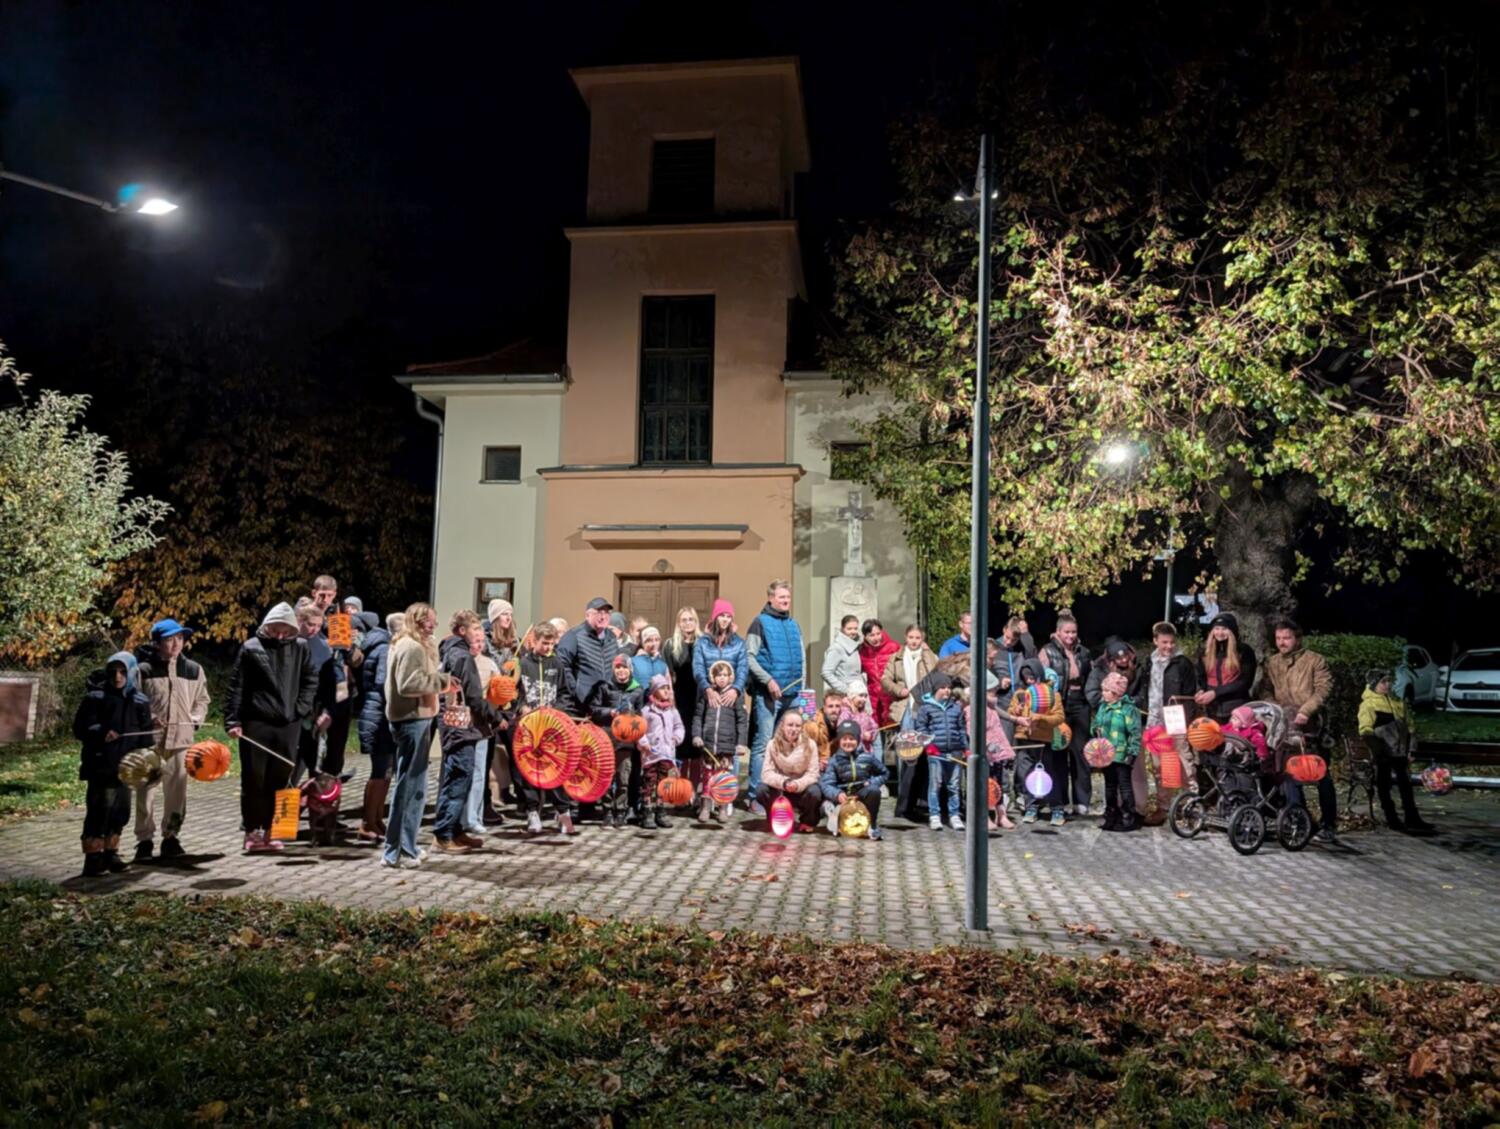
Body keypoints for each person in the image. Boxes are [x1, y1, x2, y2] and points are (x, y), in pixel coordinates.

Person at [227, 603, 318, 855]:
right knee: (253, 778)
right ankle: (252, 830)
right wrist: (233, 721)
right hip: (256, 723)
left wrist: (300, 709)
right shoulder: (251, 648)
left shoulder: (300, 647)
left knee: (282, 778)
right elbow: (237, 686)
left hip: (289, 724)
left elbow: (310, 680)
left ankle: (273, 830)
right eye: (275, 630)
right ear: (267, 626)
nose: (279, 636)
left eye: (284, 631)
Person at [131, 617, 210, 861]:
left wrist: (195, 719)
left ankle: (171, 837)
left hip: (181, 740)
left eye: (180, 638)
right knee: (146, 791)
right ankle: (144, 840)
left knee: (177, 793)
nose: (176, 643)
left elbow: (202, 700)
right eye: (169, 639)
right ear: (157, 643)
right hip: (151, 741)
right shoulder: (143, 670)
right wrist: (149, 718)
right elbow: (134, 701)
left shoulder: (194, 669)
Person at [381, 602, 452, 868]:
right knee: (409, 787)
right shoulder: (410, 647)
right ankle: (398, 851)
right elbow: (409, 684)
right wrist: (443, 682)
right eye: (430, 620)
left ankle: (406, 844)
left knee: (416, 786)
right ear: (418, 621)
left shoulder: (413, 644)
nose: (434, 625)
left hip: (419, 717)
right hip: (411, 719)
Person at [75, 653, 154, 876]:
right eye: (113, 672)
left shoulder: (140, 701)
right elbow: (80, 728)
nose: (118, 677)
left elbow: (145, 738)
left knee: (121, 811)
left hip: (126, 767)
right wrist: (102, 732)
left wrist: (145, 756)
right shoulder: (95, 698)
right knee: (100, 809)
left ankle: (111, 853)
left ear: (131, 673)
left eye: (122, 672)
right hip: (101, 764)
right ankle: (93, 857)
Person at [1260, 618, 1338, 843]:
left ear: (1297, 639)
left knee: (1320, 773)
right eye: (1278, 638)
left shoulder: (1314, 660)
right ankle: (1300, 819)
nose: (1282, 642)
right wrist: (1274, 709)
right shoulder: (1273, 662)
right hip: (1284, 725)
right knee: (1287, 773)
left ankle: (1329, 824)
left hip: (1312, 725)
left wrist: (1306, 710)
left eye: (1286, 638)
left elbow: (1324, 689)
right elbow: (1265, 689)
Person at [434, 610, 501, 853]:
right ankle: (444, 834)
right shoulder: (461, 656)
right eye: (475, 629)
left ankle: (456, 830)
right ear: (462, 631)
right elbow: (472, 696)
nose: (479, 634)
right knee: (459, 777)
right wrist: (495, 715)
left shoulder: (452, 651)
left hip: (458, 726)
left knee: (460, 777)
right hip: (461, 726)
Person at [746, 580, 805, 815]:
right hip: (769, 695)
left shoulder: (794, 624)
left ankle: (781, 793)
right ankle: (755, 797)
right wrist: (768, 680)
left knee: (787, 746)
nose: (785, 601)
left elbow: (802, 659)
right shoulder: (759, 623)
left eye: (787, 597)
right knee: (763, 744)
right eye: (781, 597)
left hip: (793, 695)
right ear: (771, 599)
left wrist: (803, 688)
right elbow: (749, 657)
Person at [517, 620, 581, 834]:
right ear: (534, 641)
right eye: (544, 643)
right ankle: (532, 812)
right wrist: (522, 707)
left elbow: (564, 692)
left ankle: (563, 812)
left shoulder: (557, 664)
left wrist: (558, 711)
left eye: (551, 644)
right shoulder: (522, 664)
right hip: (528, 728)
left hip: (551, 728)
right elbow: (514, 693)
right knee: (530, 770)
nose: (548, 648)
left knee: (555, 768)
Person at [1358, 670, 1436, 835]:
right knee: (1384, 785)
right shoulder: (1369, 704)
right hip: (1384, 753)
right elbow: (1365, 730)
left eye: (1389, 681)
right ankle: (1391, 818)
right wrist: (1379, 752)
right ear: (1374, 684)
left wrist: (1411, 749)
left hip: (1400, 751)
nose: (1388, 685)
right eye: (1383, 682)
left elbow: (1410, 728)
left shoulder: (1397, 702)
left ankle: (1412, 817)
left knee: (1405, 785)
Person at [1041, 613, 1093, 818]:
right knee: (1058, 753)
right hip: (1059, 704)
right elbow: (1042, 679)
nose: (1070, 636)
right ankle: (1059, 801)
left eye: (1073, 632)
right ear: (1058, 632)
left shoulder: (1084, 652)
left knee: (1081, 753)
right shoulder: (1047, 651)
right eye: (1067, 632)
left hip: (1080, 704)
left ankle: (1082, 801)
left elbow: (1091, 678)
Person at [1144, 621, 1197, 820]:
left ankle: (1191, 804)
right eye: (1164, 642)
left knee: (1184, 763)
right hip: (1154, 720)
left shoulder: (1182, 663)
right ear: (1155, 641)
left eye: (1172, 642)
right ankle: (1163, 807)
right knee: (1159, 766)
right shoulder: (1149, 662)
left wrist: (1187, 721)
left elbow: (1190, 694)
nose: (1169, 646)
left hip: (1176, 719)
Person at [589, 654, 646, 829]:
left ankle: (620, 811)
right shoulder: (604, 686)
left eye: (624, 667)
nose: (621, 671)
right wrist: (610, 712)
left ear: (630, 670)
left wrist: (633, 721)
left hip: (625, 742)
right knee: (606, 777)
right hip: (606, 740)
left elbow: (640, 715)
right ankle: (607, 811)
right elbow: (594, 709)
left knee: (623, 778)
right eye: (618, 668)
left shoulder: (637, 690)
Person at [355, 611, 395, 842]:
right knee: (380, 771)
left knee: (385, 771)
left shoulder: (376, 647)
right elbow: (383, 682)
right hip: (379, 714)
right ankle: (368, 821)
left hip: (378, 712)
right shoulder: (383, 649)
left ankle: (377, 819)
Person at [1009, 659, 1066, 824]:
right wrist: (1016, 711)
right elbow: (1010, 712)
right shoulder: (1019, 694)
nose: (1029, 681)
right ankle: (1031, 806)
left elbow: (1059, 717)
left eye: (1032, 677)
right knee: (1026, 774)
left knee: (1048, 773)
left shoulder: (1052, 694)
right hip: (1024, 740)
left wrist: (1040, 718)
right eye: (1026, 677)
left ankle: (1056, 808)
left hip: (1043, 741)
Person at [692, 659, 748, 823]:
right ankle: (705, 807)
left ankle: (722, 807)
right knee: (707, 777)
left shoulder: (736, 697)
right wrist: (697, 735)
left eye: (725, 675)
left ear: (730, 677)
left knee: (723, 779)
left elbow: (741, 721)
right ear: (713, 677)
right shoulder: (707, 695)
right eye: (719, 675)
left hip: (727, 746)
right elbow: (698, 716)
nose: (722, 678)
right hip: (709, 745)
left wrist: (741, 743)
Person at [309, 576, 354, 776]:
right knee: (311, 743)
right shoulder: (306, 614)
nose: (325, 600)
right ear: (314, 593)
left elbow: (343, 655)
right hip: (314, 685)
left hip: (338, 684)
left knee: (337, 742)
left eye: (329, 595)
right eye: (321, 595)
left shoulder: (338, 618)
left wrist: (351, 646)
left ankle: (330, 779)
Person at [755, 709, 823, 831]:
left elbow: (813, 774)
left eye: (797, 726)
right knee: (761, 790)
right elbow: (766, 773)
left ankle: (807, 821)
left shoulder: (810, 745)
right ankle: (776, 816)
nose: (794, 729)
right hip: (781, 789)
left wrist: (797, 784)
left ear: (802, 728)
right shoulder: (772, 744)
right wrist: (784, 782)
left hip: (801, 789)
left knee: (815, 792)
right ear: (782, 726)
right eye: (790, 725)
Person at [914, 673, 966, 831]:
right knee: (935, 784)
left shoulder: (955, 708)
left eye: (949, 688)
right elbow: (921, 729)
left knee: (954, 785)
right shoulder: (926, 708)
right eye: (943, 688)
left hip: (955, 752)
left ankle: (954, 815)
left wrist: (966, 747)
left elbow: (961, 729)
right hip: (936, 753)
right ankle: (934, 815)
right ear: (935, 689)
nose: (947, 691)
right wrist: (928, 746)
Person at [1092, 671, 1143, 832]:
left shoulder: (1128, 709)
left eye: (1107, 691)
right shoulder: (1103, 707)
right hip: (1106, 753)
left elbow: (1135, 732)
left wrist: (1132, 753)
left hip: (1122, 753)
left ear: (1116, 693)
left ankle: (1128, 816)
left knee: (1124, 786)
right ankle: (1111, 815)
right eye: (1103, 690)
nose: (1103, 693)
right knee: (1109, 786)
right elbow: (1095, 724)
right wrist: (1095, 730)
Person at [819, 720, 888, 840]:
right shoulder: (834, 760)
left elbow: (884, 773)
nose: (848, 742)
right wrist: (837, 794)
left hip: (860, 794)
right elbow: (827, 784)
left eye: (852, 739)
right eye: (844, 739)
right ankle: (834, 814)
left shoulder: (867, 757)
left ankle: (872, 825)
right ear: (839, 740)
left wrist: (872, 782)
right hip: (843, 796)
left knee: (874, 791)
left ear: (858, 739)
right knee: (833, 811)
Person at [293, 598, 336, 785]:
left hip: (312, 711)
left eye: (318, 626)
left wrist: (327, 711)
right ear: (299, 621)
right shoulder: (287, 642)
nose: (314, 630)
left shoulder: (324, 648)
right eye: (311, 624)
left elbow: (329, 684)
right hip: (288, 711)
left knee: (308, 760)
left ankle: (303, 798)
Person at [557, 597, 622, 716]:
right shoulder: (574, 635)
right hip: (581, 704)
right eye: (599, 613)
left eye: (606, 613)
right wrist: (575, 690)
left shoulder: (611, 637)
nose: (603, 617)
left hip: (606, 705)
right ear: (587, 615)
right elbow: (562, 665)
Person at [968, 670, 1016, 830]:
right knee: (986, 785)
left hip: (997, 754)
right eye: (991, 691)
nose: (995, 694)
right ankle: (985, 816)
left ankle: (1001, 814)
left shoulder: (992, 707)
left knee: (998, 784)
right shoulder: (972, 709)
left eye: (995, 690)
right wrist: (986, 744)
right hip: (985, 754)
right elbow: (972, 731)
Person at [638, 675, 685, 828]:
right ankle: (647, 810)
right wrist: (644, 742)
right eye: (662, 688)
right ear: (654, 691)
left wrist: (676, 738)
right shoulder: (646, 711)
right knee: (649, 782)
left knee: (664, 783)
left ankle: (660, 810)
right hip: (651, 755)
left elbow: (679, 726)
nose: (666, 691)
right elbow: (640, 730)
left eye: (667, 688)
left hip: (667, 754)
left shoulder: (672, 710)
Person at [664, 606, 702, 790]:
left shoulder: (703, 643)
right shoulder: (671, 645)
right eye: (684, 620)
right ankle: (680, 789)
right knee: (681, 742)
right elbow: (667, 673)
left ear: (696, 622)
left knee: (696, 745)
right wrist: (670, 697)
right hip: (680, 699)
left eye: (691, 619)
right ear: (679, 623)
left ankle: (694, 788)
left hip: (699, 698)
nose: (688, 623)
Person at [1194, 612, 1257, 723]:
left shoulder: (1244, 651)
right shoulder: (1204, 652)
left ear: (1232, 631)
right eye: (1217, 629)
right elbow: (1201, 676)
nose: (1220, 633)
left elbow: (1245, 682)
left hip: (1236, 709)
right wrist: (1200, 690)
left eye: (1224, 629)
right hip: (1212, 709)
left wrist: (1216, 693)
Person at [882, 624, 939, 728]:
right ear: (905, 637)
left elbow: (935, 675)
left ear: (922, 639)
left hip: (925, 702)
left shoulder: (930, 656)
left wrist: (927, 652)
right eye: (911, 637)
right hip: (904, 703)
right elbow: (885, 680)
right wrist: (899, 690)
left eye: (918, 638)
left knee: (925, 735)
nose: (914, 641)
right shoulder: (896, 658)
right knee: (907, 735)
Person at [694, 599, 748, 701]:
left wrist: (735, 689)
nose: (725, 620)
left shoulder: (739, 643)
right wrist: (708, 689)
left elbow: (743, 669)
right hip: (708, 697)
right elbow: (698, 668)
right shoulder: (702, 643)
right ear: (715, 617)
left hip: (732, 698)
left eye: (728, 617)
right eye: (722, 615)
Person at [858, 619, 900, 746]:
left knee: (895, 731)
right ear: (865, 636)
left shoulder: (894, 647)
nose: (876, 638)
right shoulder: (862, 651)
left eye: (878, 633)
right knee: (876, 731)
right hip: (873, 697)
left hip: (891, 695)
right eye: (872, 635)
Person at [803, 689, 845, 769]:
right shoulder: (814, 724)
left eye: (837, 706)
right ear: (824, 708)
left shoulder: (844, 722)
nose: (834, 710)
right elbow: (805, 750)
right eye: (830, 706)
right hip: (815, 766)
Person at [821, 615, 863, 694]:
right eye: (849, 629)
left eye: (855, 628)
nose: (853, 632)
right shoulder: (837, 648)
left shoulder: (856, 646)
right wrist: (845, 690)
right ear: (842, 629)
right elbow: (826, 672)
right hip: (845, 695)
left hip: (858, 692)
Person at [837, 678, 880, 755]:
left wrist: (871, 734)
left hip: (866, 751)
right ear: (852, 696)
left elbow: (874, 727)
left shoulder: (864, 713)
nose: (864, 699)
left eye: (865, 696)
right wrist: (862, 735)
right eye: (860, 696)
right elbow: (842, 730)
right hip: (851, 752)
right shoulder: (846, 712)